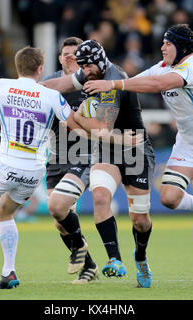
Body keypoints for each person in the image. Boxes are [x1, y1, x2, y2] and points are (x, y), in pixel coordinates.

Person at [84, 24, 193, 288]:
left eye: (168, 44)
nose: (162, 47)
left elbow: (156, 84)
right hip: (188, 144)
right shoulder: (164, 66)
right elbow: (135, 83)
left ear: (182, 47)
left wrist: (111, 81)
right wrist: (107, 86)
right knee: (168, 198)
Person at [0, 46, 83, 289]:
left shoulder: (1, 86)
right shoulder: (50, 95)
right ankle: (9, 272)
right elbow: (73, 123)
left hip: (5, 163)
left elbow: (4, 103)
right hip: (33, 171)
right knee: (5, 212)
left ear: (17, 67)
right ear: (40, 69)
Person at [42, 39, 155, 288]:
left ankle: (141, 256)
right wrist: (32, 88)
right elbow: (61, 83)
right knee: (101, 197)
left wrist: (78, 118)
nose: (85, 71)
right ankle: (115, 260)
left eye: (88, 66)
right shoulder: (89, 73)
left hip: (135, 151)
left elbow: (103, 129)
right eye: (82, 66)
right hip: (107, 151)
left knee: (140, 220)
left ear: (101, 61)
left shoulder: (115, 79)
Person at [42, 37, 99, 285]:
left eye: (74, 53)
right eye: (65, 54)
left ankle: (86, 256)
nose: (69, 57)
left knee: (60, 207)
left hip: (84, 155)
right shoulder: (52, 83)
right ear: (59, 58)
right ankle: (90, 265)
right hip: (56, 157)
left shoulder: (92, 83)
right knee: (59, 221)